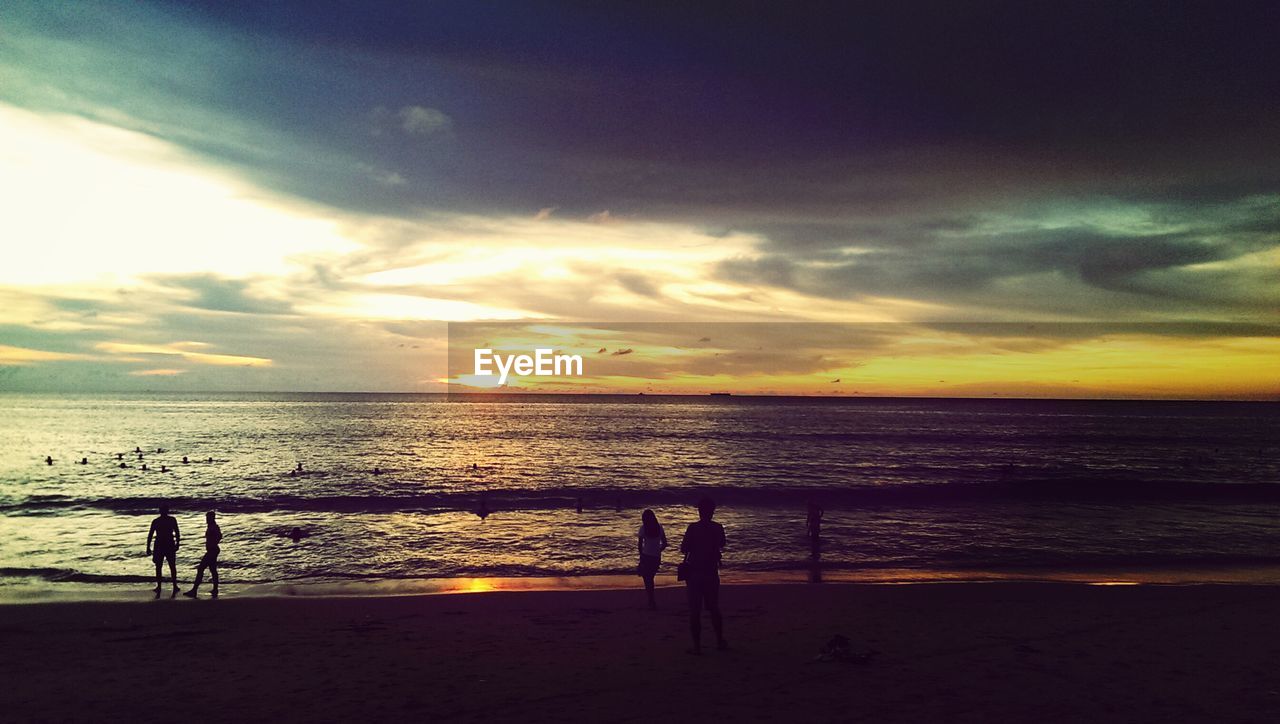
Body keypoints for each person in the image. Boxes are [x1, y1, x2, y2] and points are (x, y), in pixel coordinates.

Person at [680, 497, 727, 654]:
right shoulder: (718, 528)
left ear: (699, 511)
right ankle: (719, 641)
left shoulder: (692, 528)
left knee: (695, 611)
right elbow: (721, 544)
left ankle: (697, 646)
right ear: (713, 511)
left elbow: (684, 548)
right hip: (711, 572)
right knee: (714, 608)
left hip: (694, 573)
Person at [146, 503, 181, 598]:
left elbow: (150, 535)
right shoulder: (171, 520)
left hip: (161, 544)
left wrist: (148, 547)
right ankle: (173, 585)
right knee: (170, 566)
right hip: (167, 544)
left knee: (161, 566)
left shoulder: (157, 521)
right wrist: (178, 543)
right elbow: (177, 532)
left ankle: (162, 586)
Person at [184, 511, 222, 598]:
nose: (206, 520)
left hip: (212, 550)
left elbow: (219, 536)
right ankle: (215, 589)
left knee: (201, 569)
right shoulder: (211, 526)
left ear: (212, 518)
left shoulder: (214, 527)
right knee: (213, 570)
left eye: (208, 518)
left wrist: (214, 542)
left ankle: (194, 590)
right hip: (212, 550)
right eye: (206, 518)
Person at [637, 509, 668, 609]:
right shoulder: (659, 527)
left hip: (646, 556)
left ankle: (651, 601)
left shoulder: (643, 528)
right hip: (656, 557)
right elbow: (665, 543)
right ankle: (651, 601)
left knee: (647, 579)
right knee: (650, 578)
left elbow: (639, 545)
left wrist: (641, 557)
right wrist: (659, 550)